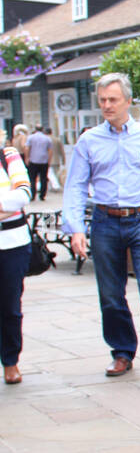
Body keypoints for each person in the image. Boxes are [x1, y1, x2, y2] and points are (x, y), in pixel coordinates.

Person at [63, 73, 140, 382]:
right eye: (102, 100)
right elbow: (76, 186)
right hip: (105, 220)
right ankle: (122, 352)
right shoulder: (89, 140)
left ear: (128, 101)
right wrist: (76, 228)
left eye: (112, 100)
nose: (106, 105)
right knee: (110, 293)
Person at [0, 140, 32, 384]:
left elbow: (23, 193)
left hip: (11, 244)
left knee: (9, 306)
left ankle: (10, 361)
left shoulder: (8, 154)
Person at [24, 125, 52, 202]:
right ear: (42, 129)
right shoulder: (47, 138)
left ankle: (32, 195)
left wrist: (27, 158)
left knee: (32, 178)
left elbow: (27, 148)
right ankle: (42, 195)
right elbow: (50, 150)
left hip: (33, 160)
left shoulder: (31, 137)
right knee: (43, 178)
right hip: (43, 161)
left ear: (35, 129)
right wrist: (49, 160)